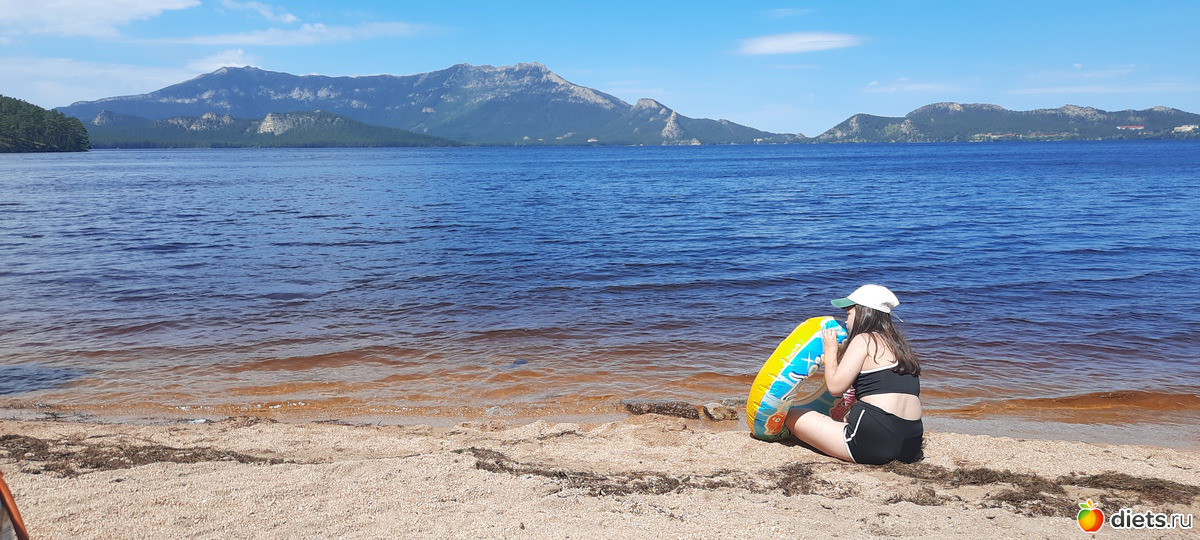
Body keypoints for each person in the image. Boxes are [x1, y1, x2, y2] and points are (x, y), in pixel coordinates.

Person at [784, 284, 923, 464]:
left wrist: (831, 350)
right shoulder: (901, 348)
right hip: (911, 444)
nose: (846, 321)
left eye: (848, 314)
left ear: (863, 313)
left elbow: (835, 387)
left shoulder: (864, 339)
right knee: (841, 419)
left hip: (872, 443)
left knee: (792, 415)